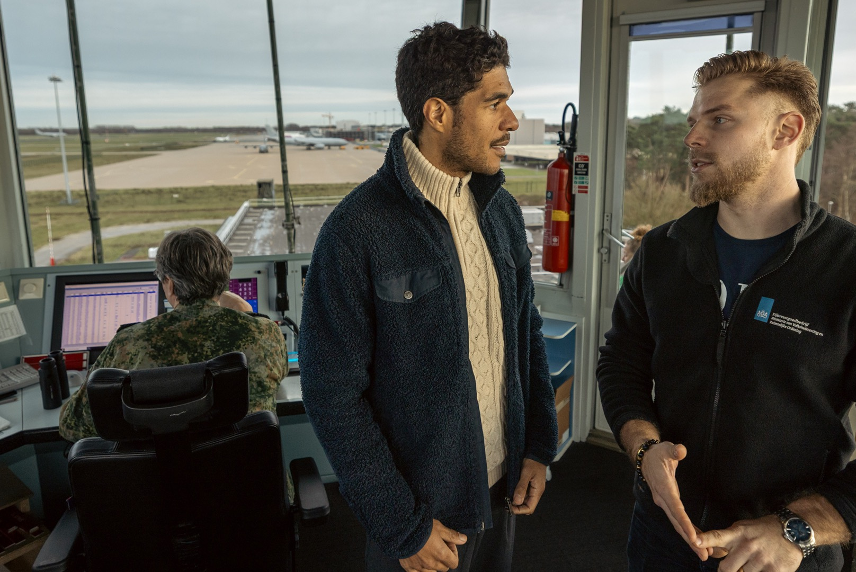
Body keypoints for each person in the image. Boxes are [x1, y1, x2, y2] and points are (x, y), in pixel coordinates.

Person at [597, 50, 856, 572]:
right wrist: (644, 448)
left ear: (785, 130)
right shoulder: (662, 252)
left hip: (786, 556)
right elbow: (621, 362)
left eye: (719, 119)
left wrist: (797, 528)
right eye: (692, 122)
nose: (691, 138)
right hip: (662, 534)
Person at [299, 22, 557, 572]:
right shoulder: (357, 230)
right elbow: (331, 393)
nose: (511, 121)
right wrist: (399, 524)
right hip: (421, 519)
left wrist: (537, 445)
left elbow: (525, 335)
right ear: (438, 113)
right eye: (495, 104)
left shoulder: (502, 212)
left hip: (500, 492)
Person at [59, 227, 288, 442]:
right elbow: (279, 371)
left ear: (168, 283)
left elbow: (72, 426)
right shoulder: (265, 333)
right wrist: (248, 316)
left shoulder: (129, 343)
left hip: (161, 481)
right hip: (251, 481)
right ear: (224, 278)